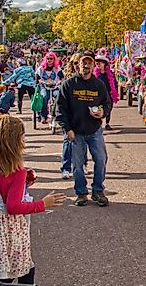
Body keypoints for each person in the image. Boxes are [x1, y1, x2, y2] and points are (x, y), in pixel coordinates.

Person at [0, 115, 66, 284]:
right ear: (13, 142)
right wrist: (42, 204)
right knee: (24, 268)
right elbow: (13, 206)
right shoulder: (18, 172)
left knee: (5, 269)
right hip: (10, 230)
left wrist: (23, 186)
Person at [55, 50, 112, 207]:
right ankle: (81, 193)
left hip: (94, 130)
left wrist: (103, 112)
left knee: (101, 159)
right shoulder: (68, 85)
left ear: (94, 65)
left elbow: (107, 103)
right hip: (76, 132)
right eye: (83, 63)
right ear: (77, 65)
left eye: (89, 63)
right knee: (78, 165)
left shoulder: (98, 85)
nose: (86, 66)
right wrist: (67, 129)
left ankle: (98, 191)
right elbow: (60, 109)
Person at [35, 52, 64, 124]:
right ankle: (43, 116)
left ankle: (55, 114)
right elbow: (37, 78)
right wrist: (41, 81)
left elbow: (61, 77)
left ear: (54, 59)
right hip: (44, 87)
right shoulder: (41, 68)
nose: (49, 60)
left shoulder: (57, 68)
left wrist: (60, 81)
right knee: (44, 97)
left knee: (58, 96)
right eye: (48, 59)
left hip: (55, 87)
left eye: (51, 59)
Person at [93, 54, 119, 130]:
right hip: (99, 95)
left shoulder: (110, 73)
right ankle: (99, 123)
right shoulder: (94, 74)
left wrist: (115, 92)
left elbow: (114, 83)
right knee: (98, 109)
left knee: (109, 109)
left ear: (104, 64)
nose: (98, 64)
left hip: (108, 94)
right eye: (97, 63)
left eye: (99, 63)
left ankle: (107, 123)